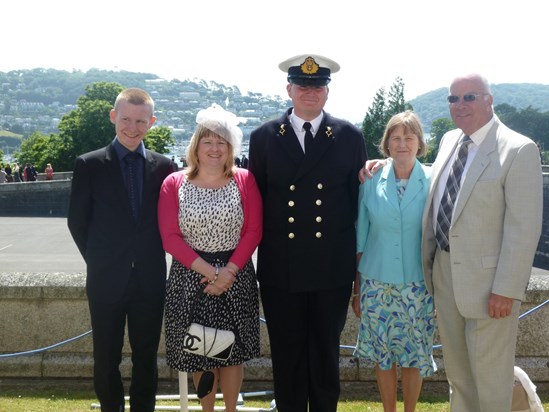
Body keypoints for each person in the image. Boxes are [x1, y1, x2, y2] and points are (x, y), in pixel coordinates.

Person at [364, 73, 543, 411]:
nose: (460, 105)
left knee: (491, 378)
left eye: (469, 97)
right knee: (459, 378)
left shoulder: (519, 149)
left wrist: (506, 289)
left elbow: (523, 228)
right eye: (453, 99)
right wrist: (381, 164)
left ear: (489, 100)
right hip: (445, 277)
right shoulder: (449, 140)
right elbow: (424, 181)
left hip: (490, 286)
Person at [248, 54, 367, 411]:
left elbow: (357, 203)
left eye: (317, 86)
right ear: (289, 89)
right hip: (281, 268)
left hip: (330, 266)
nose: (310, 92)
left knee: (325, 353)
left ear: (327, 92)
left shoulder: (348, 135)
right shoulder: (264, 137)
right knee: (286, 353)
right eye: (303, 85)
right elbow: (258, 202)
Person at [67, 87, 176, 412]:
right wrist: (103, 261)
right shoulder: (89, 165)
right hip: (105, 280)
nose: (133, 127)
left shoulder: (164, 167)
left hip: (149, 281)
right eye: (126, 119)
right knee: (106, 357)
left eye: (141, 121)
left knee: (147, 358)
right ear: (114, 117)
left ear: (152, 122)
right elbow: (77, 223)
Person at [158, 103, 262, 412]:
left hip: (236, 272)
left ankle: (230, 409)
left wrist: (228, 271)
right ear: (196, 146)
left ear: (230, 147)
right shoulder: (174, 183)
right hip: (191, 277)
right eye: (208, 140)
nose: (214, 148)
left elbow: (254, 231)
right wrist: (210, 272)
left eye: (221, 141)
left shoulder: (244, 180)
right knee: (198, 350)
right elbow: (170, 237)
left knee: (232, 353)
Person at [352, 111, 435, 412]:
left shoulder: (433, 180)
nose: (402, 144)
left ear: (419, 143)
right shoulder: (371, 181)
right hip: (376, 283)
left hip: (419, 285)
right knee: (382, 355)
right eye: (396, 138)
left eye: (409, 137)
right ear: (386, 144)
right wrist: (357, 289)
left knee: (414, 356)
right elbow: (361, 238)